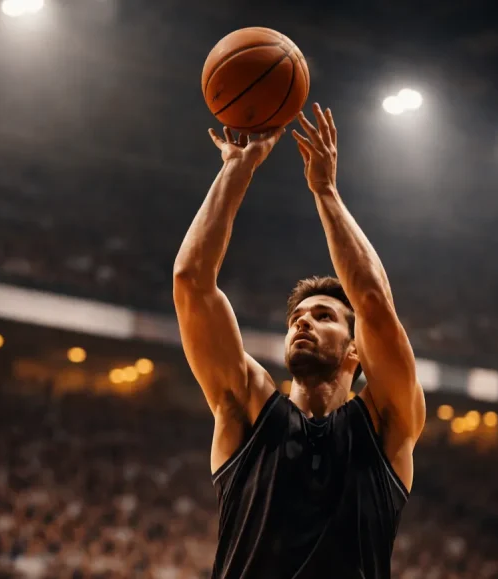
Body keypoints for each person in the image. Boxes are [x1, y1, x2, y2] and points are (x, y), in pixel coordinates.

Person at [172, 104, 426, 579]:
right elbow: (191, 281)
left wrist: (325, 190)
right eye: (296, 318)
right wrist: (236, 167)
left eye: (324, 316)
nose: (302, 323)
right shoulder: (248, 408)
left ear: (356, 350)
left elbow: (373, 301)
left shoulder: (387, 422)